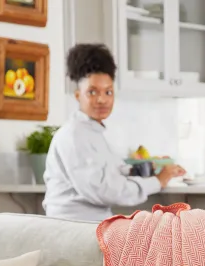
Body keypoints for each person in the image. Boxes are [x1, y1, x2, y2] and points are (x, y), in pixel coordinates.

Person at [42, 44, 185, 221]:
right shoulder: (74, 135)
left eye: (108, 92)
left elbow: (111, 172)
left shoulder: (92, 132)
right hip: (74, 228)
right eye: (92, 92)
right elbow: (103, 190)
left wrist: (148, 168)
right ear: (78, 95)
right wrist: (157, 182)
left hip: (90, 224)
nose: (102, 100)